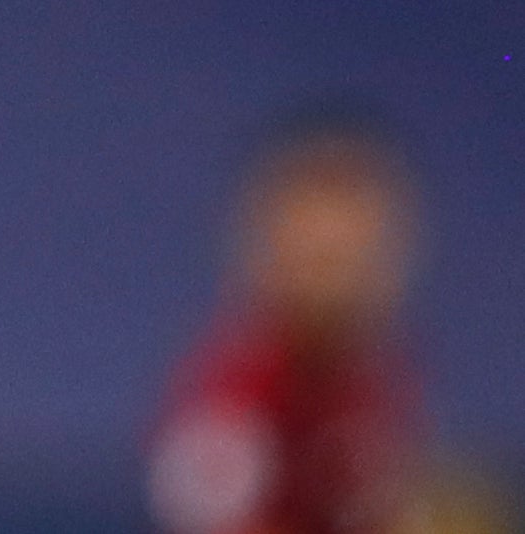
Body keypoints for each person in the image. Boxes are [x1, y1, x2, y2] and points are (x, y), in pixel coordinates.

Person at [148, 114, 426, 534]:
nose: (339, 277)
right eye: (321, 257)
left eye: (355, 253)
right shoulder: (228, 399)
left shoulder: (378, 385)